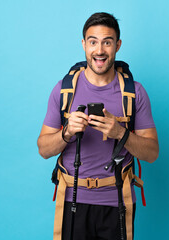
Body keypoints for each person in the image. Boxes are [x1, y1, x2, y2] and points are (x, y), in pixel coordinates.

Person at [37, 12, 159, 240]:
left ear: (118, 45)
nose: (100, 50)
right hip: (72, 199)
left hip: (117, 201)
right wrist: (67, 133)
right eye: (93, 41)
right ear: (84, 44)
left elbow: (152, 153)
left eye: (107, 42)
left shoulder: (134, 93)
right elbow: (43, 149)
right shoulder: (64, 91)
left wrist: (120, 133)